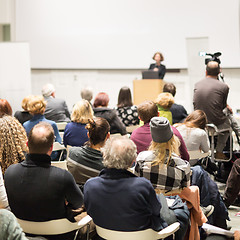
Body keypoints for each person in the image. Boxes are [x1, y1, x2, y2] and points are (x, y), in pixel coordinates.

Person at [4, 122, 84, 240]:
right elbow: (79, 203)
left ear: (27, 144)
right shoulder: (63, 176)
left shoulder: (9, 172)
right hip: (59, 235)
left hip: (22, 233)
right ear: (51, 148)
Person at [84, 137, 168, 232]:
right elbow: (156, 210)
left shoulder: (90, 185)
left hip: (105, 235)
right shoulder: (142, 186)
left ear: (104, 155)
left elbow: (90, 212)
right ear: (133, 160)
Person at [135, 117, 191, 191]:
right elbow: (186, 191)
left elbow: (136, 184)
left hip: (149, 201)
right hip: (173, 201)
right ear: (173, 139)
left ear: (153, 140)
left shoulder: (141, 159)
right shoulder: (183, 166)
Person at [193, 61, 230, 160]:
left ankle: (201, 150)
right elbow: (222, 106)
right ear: (219, 72)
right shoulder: (224, 86)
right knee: (228, 124)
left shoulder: (197, 84)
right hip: (216, 120)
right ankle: (219, 151)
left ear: (206, 72)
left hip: (199, 119)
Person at [67, 117, 110, 186]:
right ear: (108, 136)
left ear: (88, 135)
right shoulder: (108, 165)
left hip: (75, 195)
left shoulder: (72, 153)